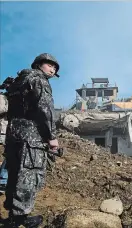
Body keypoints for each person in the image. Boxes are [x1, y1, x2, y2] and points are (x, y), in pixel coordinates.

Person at [1, 53, 60, 228]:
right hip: (31, 136)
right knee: (28, 175)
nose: (53, 69)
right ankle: (19, 218)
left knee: (13, 173)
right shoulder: (39, 80)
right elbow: (45, 110)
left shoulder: (18, 81)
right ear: (39, 64)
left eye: (55, 68)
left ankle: (13, 213)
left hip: (14, 134)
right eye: (50, 65)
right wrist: (52, 138)